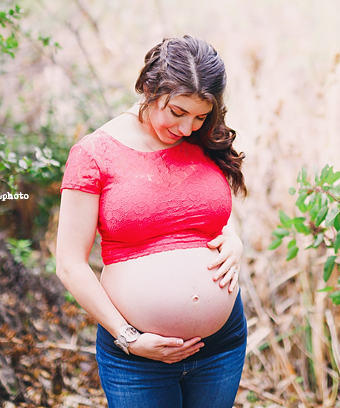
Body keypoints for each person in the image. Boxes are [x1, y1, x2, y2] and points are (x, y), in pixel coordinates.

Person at [55, 35, 248, 408]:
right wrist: (128, 337)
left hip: (220, 346)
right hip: (138, 357)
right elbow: (69, 264)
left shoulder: (202, 139)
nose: (188, 128)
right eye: (177, 112)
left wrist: (233, 238)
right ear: (149, 87)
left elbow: (209, 214)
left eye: (201, 116)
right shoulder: (94, 154)